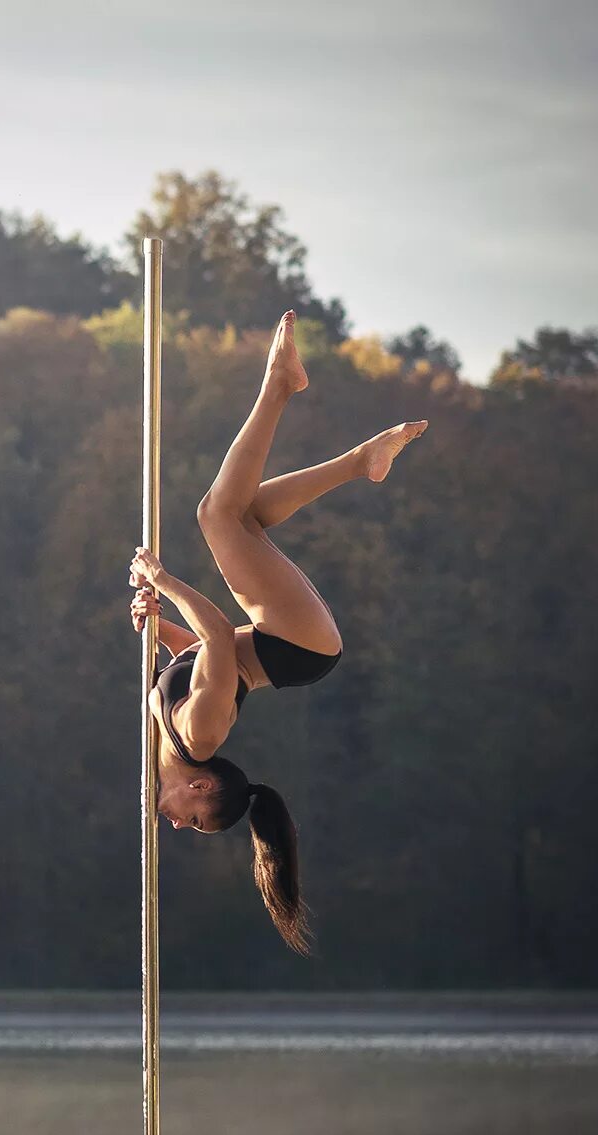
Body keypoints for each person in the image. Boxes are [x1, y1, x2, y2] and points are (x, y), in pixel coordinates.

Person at [128, 310, 427, 954]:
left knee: (246, 517)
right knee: (216, 516)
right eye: (195, 821)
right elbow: (212, 636)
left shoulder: (173, 736)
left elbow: (195, 654)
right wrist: (163, 578)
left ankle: (359, 462)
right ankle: (281, 386)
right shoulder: (199, 736)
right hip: (293, 643)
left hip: (277, 646)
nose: (177, 824)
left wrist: (154, 627)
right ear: (203, 786)